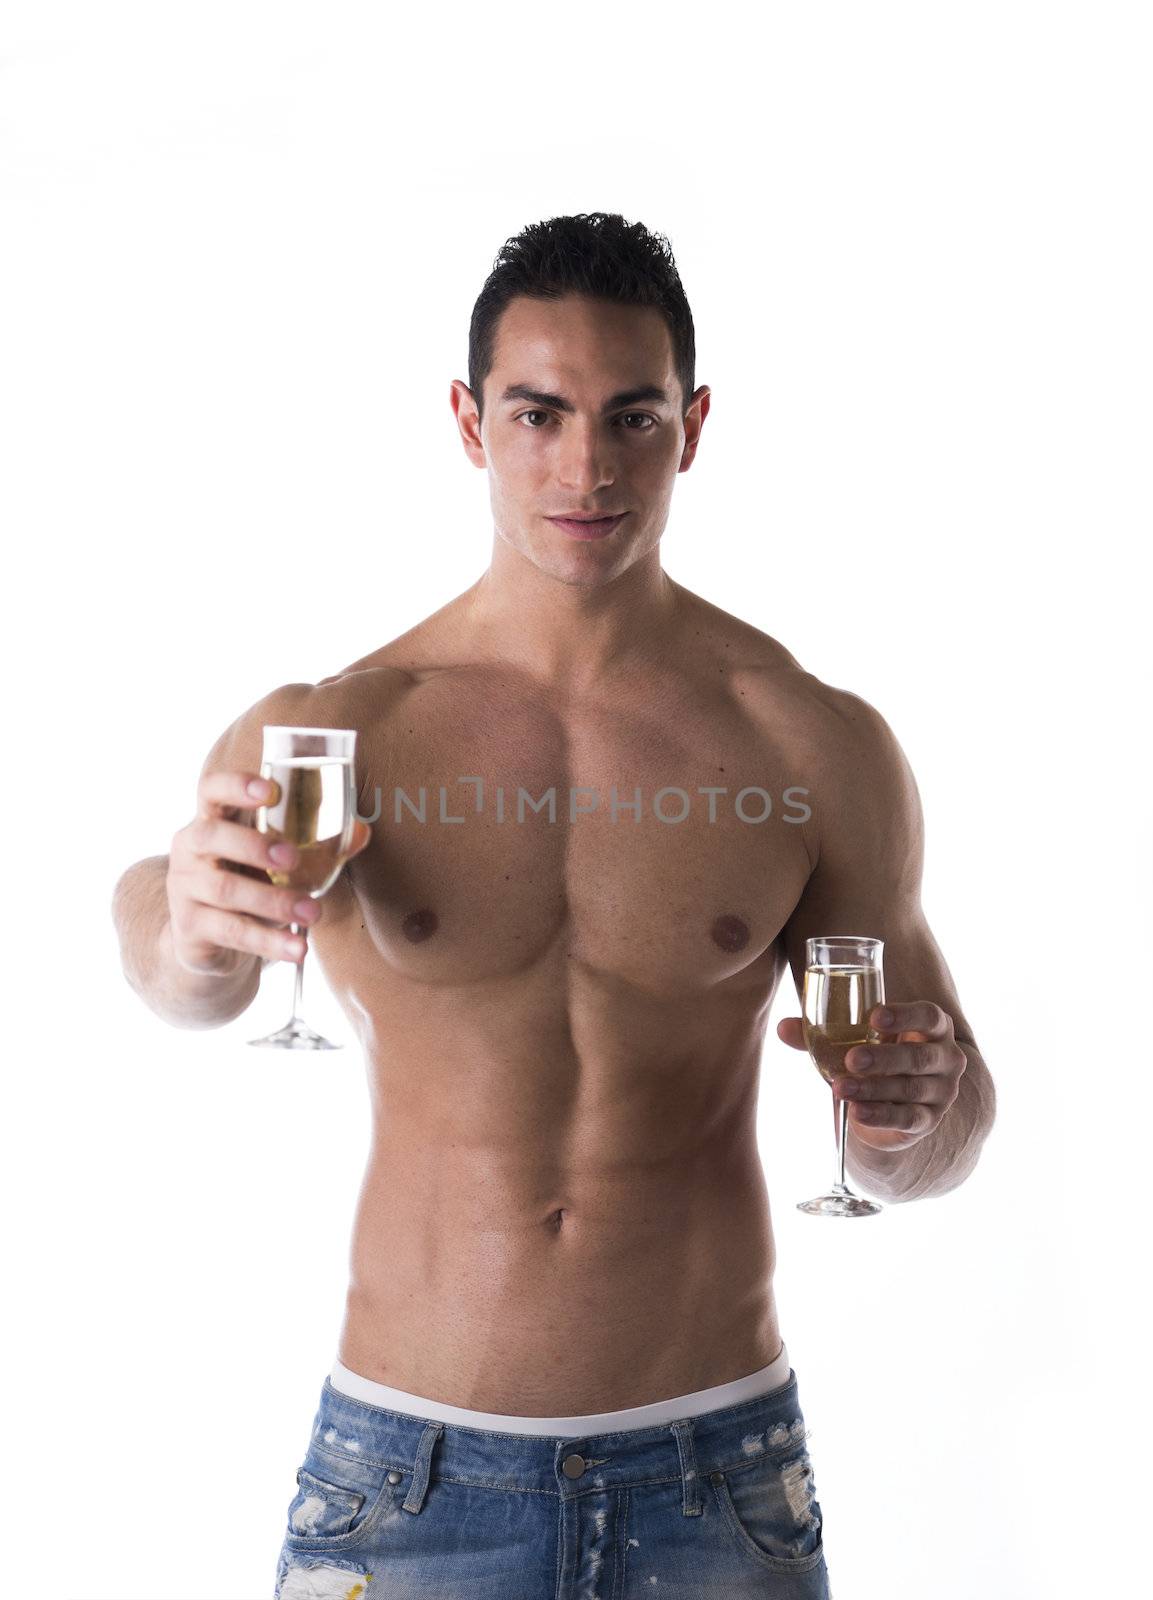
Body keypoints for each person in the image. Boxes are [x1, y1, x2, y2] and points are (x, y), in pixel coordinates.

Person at [112, 211, 996, 1599]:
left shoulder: (808, 743)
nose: (585, 466)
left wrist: (911, 1119)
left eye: (630, 417)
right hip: (406, 1483)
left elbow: (921, 1142)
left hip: (717, 1480)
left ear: (691, 426)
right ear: (469, 424)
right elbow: (181, 960)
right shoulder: (342, 727)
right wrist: (177, 924)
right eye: (538, 413)